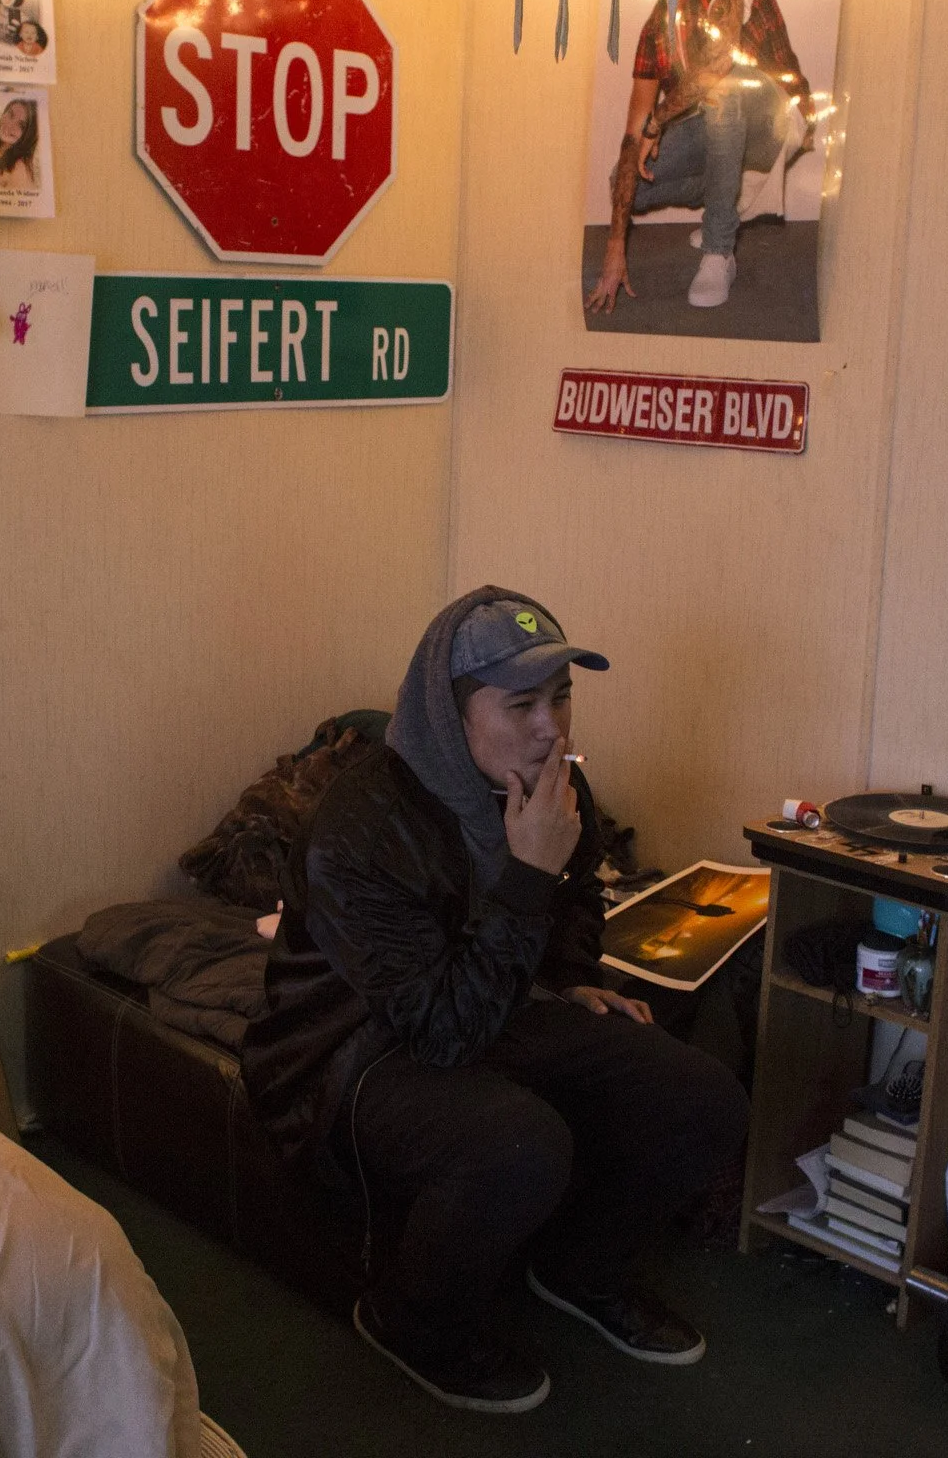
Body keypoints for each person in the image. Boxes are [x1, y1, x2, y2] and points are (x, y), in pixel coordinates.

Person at [241, 588, 749, 1415]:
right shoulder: (360, 825)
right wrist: (525, 878)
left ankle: (580, 1269)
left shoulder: (553, 785)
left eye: (561, 696)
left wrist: (570, 974)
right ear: (451, 714)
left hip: (487, 1002)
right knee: (519, 1142)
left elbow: (578, 897)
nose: (552, 726)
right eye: (521, 703)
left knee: (702, 1098)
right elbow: (442, 1033)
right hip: (349, 1048)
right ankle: (410, 1321)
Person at [587, 0, 815, 313]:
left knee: (723, 89)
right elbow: (632, 136)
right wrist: (614, 247)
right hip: (719, 131)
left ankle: (718, 249)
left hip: (777, 118)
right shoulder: (656, 29)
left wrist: (658, 121)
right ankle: (724, 199)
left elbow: (720, 62)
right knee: (624, 183)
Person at [0, 98, 41, 193]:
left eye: (21, 125)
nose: (10, 125)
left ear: (28, 135)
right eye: (10, 114)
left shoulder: (19, 170)